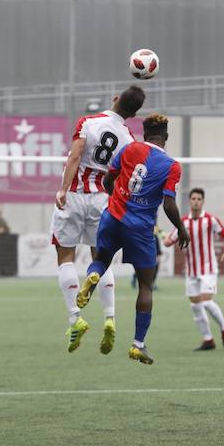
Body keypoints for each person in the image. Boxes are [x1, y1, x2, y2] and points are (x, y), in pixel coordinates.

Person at [76, 113, 190, 365]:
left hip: (113, 217)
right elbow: (169, 205)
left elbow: (108, 180)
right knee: (145, 285)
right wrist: (181, 228)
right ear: (166, 137)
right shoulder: (172, 166)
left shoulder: (129, 148)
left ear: (145, 133)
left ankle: (92, 276)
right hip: (140, 229)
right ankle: (138, 344)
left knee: (102, 259)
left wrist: (116, 198)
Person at [53, 86, 146, 354]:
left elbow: (75, 156)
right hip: (101, 200)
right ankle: (110, 317)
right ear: (133, 113)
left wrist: (62, 189)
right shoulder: (128, 138)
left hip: (74, 195)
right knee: (101, 258)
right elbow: (122, 176)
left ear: (115, 99)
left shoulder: (88, 122)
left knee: (65, 256)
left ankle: (75, 318)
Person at [164, 188, 224, 351]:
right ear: (190, 201)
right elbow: (169, 241)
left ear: (203, 202)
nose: (196, 201)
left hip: (208, 268)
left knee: (207, 301)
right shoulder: (182, 223)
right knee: (195, 306)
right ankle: (208, 339)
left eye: (199, 199)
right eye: (193, 198)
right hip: (191, 271)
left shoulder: (210, 220)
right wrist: (166, 239)